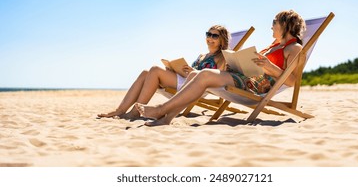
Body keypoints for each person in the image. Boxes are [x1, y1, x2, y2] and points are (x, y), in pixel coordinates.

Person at [135, 10, 306, 126]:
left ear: (285, 25)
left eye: (274, 22)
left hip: (256, 85)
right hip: (245, 75)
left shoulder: (295, 48)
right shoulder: (273, 46)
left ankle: (160, 110)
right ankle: (167, 118)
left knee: (204, 74)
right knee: (196, 74)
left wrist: (269, 66)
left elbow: (291, 81)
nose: (271, 26)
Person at [97, 25, 230, 120]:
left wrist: (194, 72)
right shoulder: (202, 55)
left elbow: (215, 76)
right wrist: (176, 69)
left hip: (195, 85)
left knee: (154, 70)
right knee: (145, 73)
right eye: (208, 34)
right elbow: (192, 71)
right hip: (185, 79)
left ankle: (135, 112)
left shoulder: (222, 57)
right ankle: (120, 110)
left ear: (221, 40)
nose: (210, 38)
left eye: (214, 36)